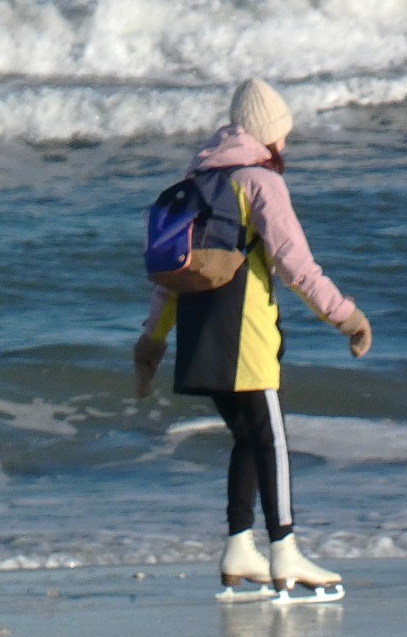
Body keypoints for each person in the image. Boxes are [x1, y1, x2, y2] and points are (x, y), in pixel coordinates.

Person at [132, 78, 372, 598]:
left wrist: (151, 344)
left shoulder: (196, 184)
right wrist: (346, 316)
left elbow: (168, 281)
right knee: (273, 441)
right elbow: (296, 265)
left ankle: (241, 545)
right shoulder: (260, 183)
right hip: (246, 337)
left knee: (248, 436)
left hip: (199, 338)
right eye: (281, 135)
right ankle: (285, 552)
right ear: (265, 135)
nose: (284, 145)